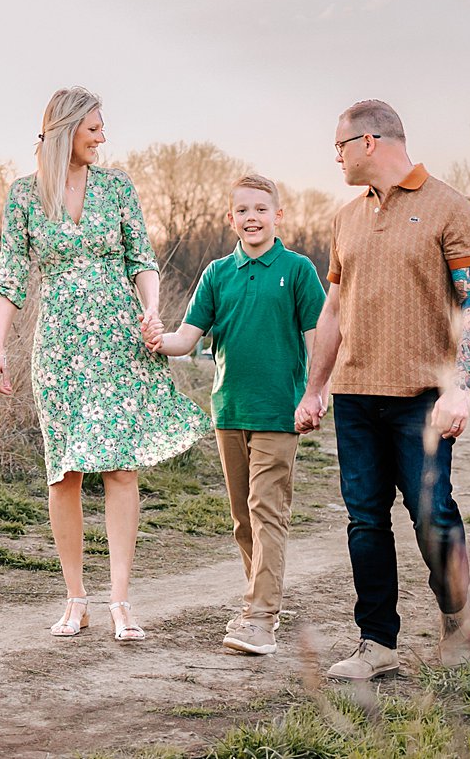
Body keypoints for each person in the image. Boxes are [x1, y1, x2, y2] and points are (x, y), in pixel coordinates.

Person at [0, 86, 210, 643]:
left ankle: (120, 602)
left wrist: (153, 311)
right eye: (94, 127)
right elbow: (10, 279)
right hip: (60, 346)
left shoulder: (116, 189)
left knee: (120, 467)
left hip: (118, 342)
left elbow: (143, 258)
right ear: (66, 129)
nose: (103, 136)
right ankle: (75, 599)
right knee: (64, 472)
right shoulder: (23, 197)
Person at [296, 99, 470, 681]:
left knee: (432, 513)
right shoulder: (346, 217)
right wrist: (315, 388)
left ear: (370, 142)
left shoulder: (452, 208)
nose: (335, 156)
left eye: (340, 146)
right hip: (356, 397)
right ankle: (377, 643)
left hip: (422, 398)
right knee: (364, 521)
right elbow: (333, 309)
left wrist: (461, 387)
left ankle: (458, 615)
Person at [143, 173, 323, 657]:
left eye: (261, 209)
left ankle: (260, 618)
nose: (252, 218)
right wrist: (160, 340)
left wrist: (315, 394)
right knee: (243, 519)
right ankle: (261, 604)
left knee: (267, 512)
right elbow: (188, 338)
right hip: (229, 410)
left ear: (277, 216)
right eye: (243, 210)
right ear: (231, 218)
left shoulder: (298, 270)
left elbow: (317, 340)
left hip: (278, 412)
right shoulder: (217, 274)